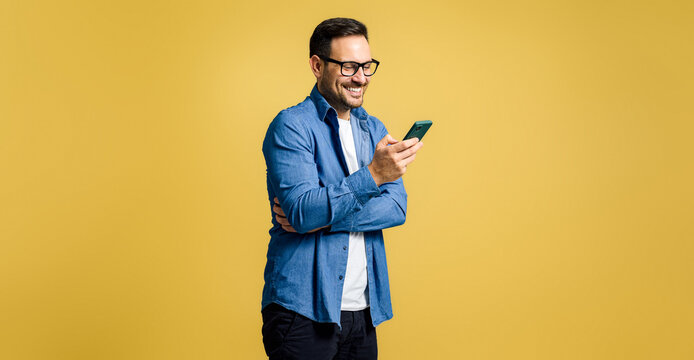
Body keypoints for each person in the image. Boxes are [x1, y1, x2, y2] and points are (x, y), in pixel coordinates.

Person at [261, 17, 424, 360]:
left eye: (367, 66)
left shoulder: (373, 128)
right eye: (349, 66)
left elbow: (396, 208)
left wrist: (324, 219)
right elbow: (303, 210)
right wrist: (374, 176)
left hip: (362, 312)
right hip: (301, 310)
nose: (361, 77)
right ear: (317, 65)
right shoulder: (291, 126)